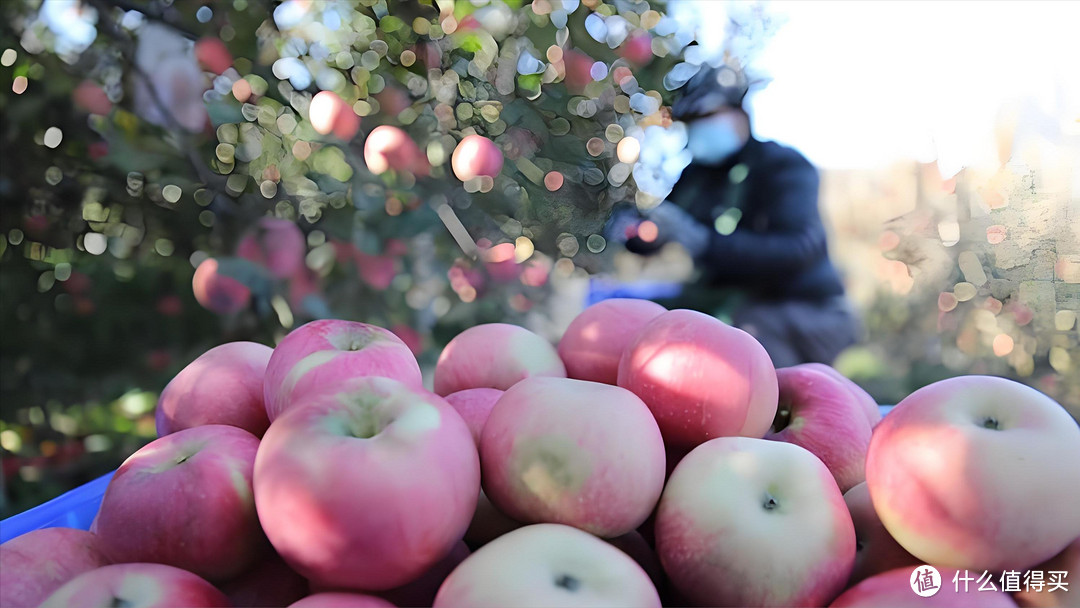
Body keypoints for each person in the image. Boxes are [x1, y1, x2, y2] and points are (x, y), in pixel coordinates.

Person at [610, 64, 858, 368]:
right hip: (731, 302)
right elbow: (663, 223)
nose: (699, 130)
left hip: (802, 308)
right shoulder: (697, 175)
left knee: (743, 342)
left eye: (707, 118)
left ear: (740, 114)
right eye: (691, 123)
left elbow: (798, 249)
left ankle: (762, 407)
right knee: (647, 321)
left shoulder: (783, 167)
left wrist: (703, 242)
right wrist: (637, 234)